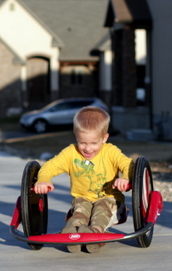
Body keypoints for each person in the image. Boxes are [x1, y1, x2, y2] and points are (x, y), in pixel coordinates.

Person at [34, 106, 134, 253]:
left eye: (94, 143)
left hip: (110, 199)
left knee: (101, 211)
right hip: (83, 198)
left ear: (104, 138)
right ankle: (72, 231)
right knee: (80, 212)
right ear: (76, 137)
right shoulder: (71, 153)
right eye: (83, 142)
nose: (88, 148)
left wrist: (125, 178)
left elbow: (129, 165)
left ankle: (95, 232)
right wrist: (43, 180)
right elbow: (50, 166)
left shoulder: (110, 151)